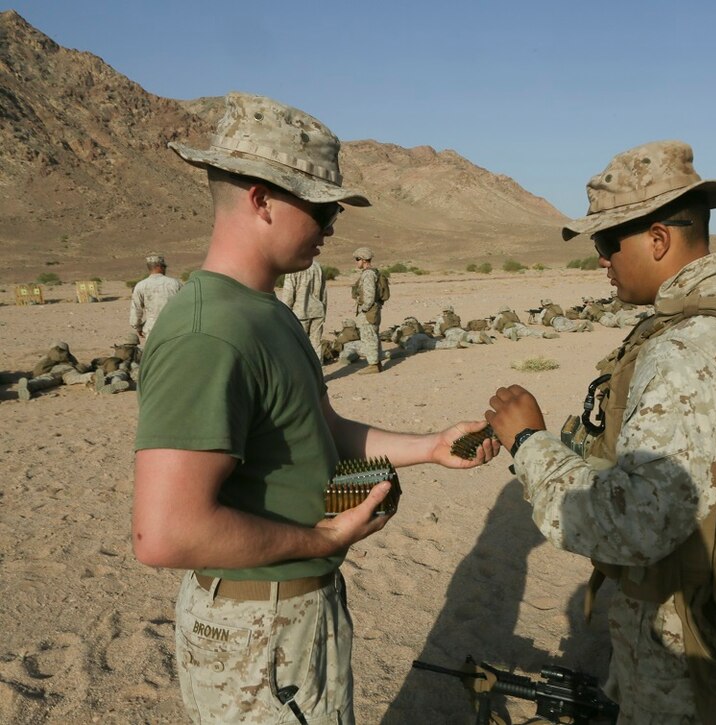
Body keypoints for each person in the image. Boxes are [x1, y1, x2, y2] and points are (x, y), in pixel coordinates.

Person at [131, 92, 495, 724]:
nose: (331, 228)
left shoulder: (267, 313)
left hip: (293, 612)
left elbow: (322, 428)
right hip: (257, 629)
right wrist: (324, 536)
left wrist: (431, 447)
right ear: (261, 199)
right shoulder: (208, 333)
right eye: (323, 208)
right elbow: (166, 532)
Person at [485, 141, 716, 722]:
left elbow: (636, 525)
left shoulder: (690, 351)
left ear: (658, 239)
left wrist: (529, 444)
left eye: (606, 244)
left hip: (688, 637)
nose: (601, 261)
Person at [280, 259, 327, 357]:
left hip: (300, 313)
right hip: (317, 311)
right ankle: (318, 366)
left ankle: (301, 366)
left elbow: (288, 295)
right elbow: (324, 292)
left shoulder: (293, 268)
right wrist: (324, 311)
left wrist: (284, 314)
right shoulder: (317, 266)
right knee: (316, 343)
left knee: (299, 344)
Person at [130, 253, 183, 340]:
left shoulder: (140, 285)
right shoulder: (175, 283)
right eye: (164, 267)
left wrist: (138, 327)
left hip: (151, 330)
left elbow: (136, 310)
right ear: (159, 267)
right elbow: (185, 306)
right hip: (173, 329)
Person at [351, 247, 383, 373]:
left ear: (364, 260)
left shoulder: (368, 274)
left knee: (369, 337)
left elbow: (369, 296)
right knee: (373, 336)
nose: (356, 262)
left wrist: (364, 309)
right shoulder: (372, 273)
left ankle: (373, 365)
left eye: (357, 259)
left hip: (369, 311)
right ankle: (376, 362)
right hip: (373, 310)